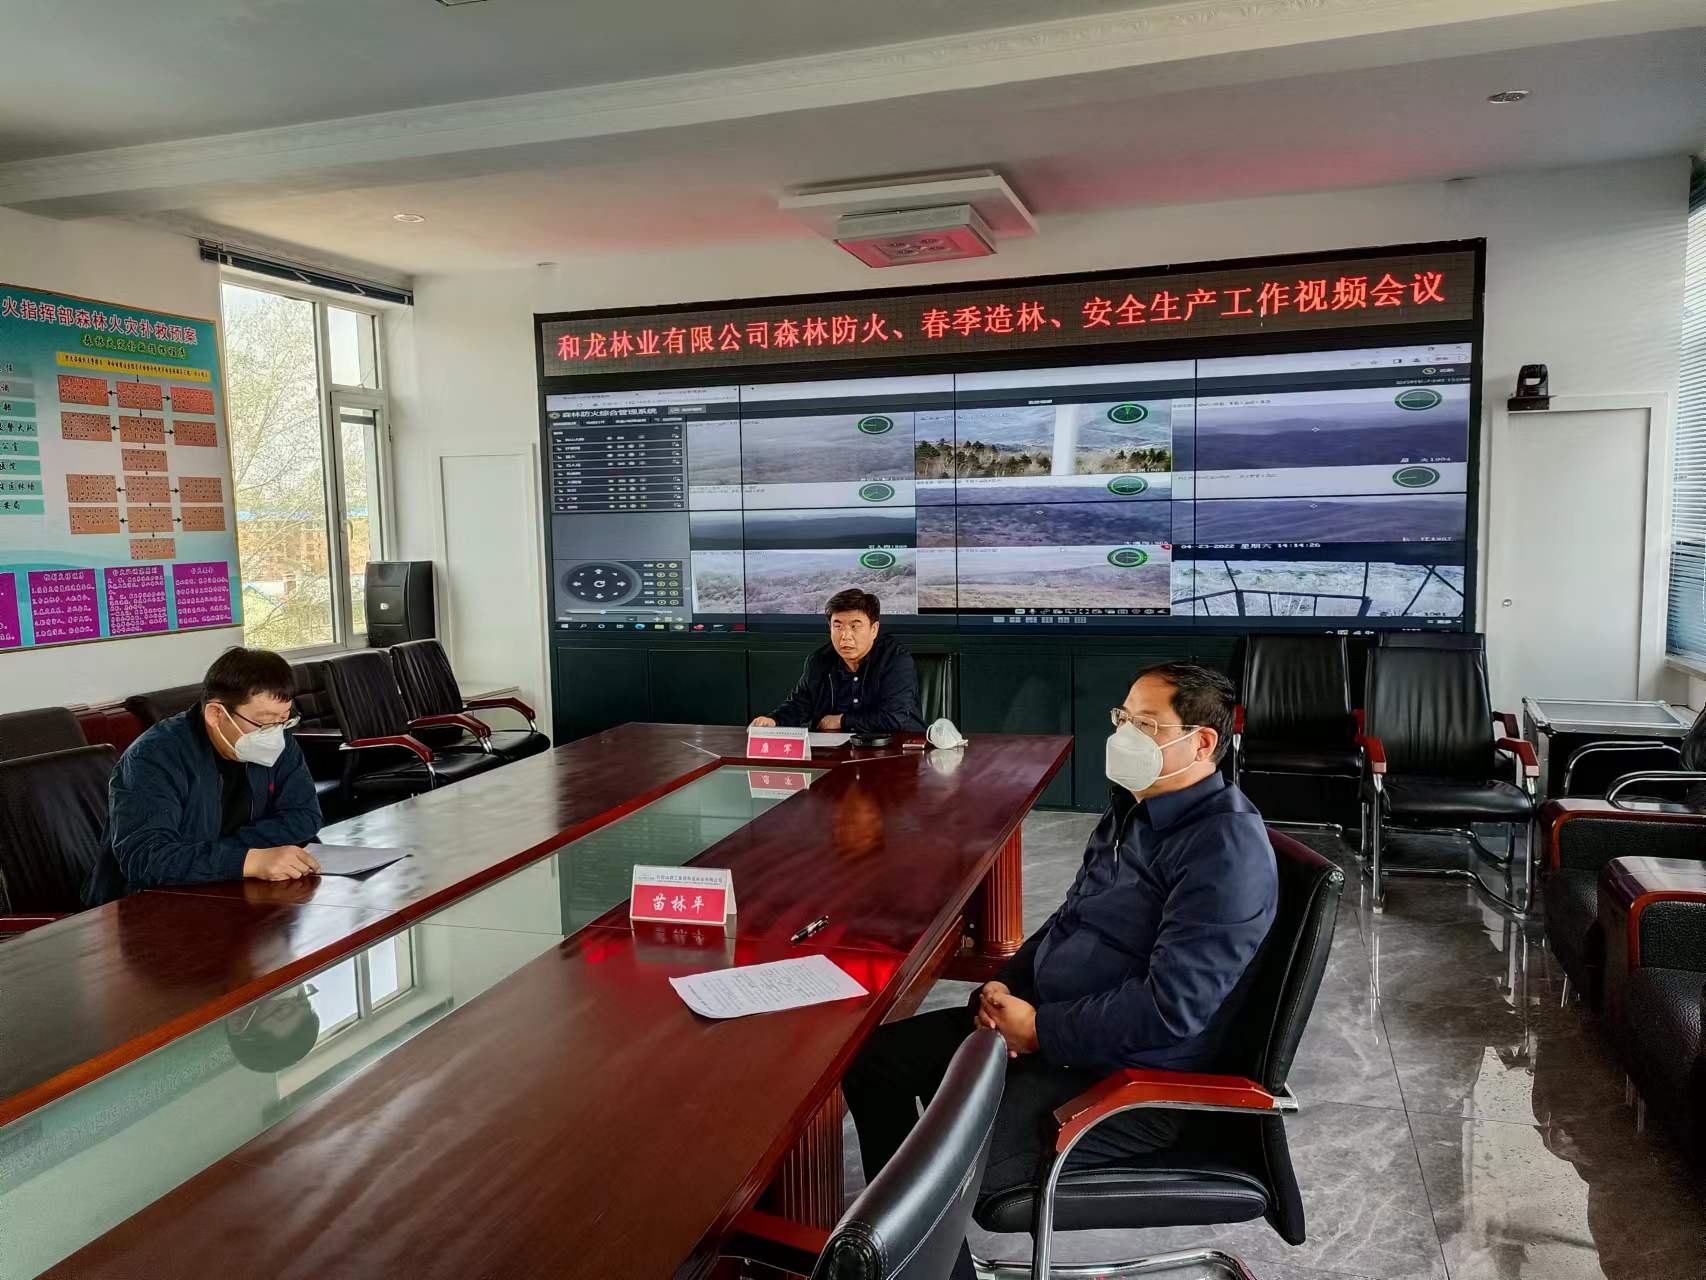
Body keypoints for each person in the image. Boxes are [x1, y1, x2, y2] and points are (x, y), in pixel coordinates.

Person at [841, 663, 1277, 1279]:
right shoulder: (1133, 808)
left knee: (933, 1162)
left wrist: (1040, 1030)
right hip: (1051, 1029)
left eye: (1146, 725)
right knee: (876, 1061)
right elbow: (1072, 918)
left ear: (1202, 742)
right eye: (1122, 718)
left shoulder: (1223, 849)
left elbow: (1169, 1009)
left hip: (1123, 1079)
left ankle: (913, 1256)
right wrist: (1007, 987)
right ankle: (925, 1265)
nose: (1124, 736)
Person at [83, 647, 323, 905]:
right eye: (264, 722)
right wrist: (246, 860)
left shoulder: (277, 738)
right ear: (215, 714)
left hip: (232, 890)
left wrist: (229, 855)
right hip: (146, 905)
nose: (274, 733)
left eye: (284, 720)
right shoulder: (153, 756)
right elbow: (146, 858)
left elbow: (304, 816)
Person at [750, 588, 924, 735]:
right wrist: (773, 720)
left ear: (874, 629)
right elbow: (799, 704)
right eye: (838, 626)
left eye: (855, 626)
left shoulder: (895, 660)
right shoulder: (819, 661)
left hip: (897, 750)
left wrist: (841, 721)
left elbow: (895, 717)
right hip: (837, 752)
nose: (845, 636)